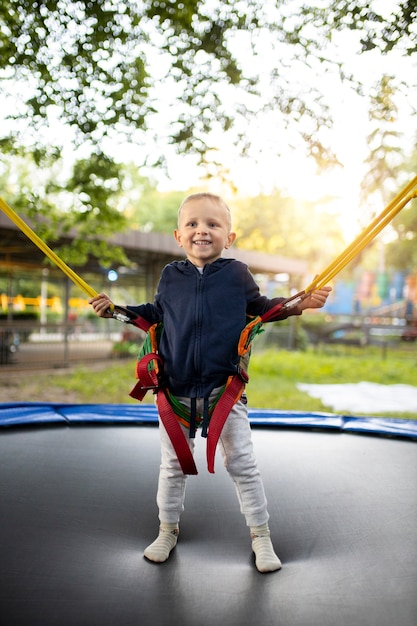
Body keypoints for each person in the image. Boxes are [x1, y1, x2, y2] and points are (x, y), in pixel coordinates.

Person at [89, 192, 331, 573]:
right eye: (193, 224)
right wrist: (116, 311)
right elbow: (153, 314)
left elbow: (264, 308)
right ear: (178, 236)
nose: (202, 230)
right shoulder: (171, 276)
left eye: (213, 225)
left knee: (243, 464)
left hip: (224, 392)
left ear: (229, 238)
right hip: (176, 392)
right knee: (172, 466)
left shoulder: (237, 274)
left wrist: (300, 304)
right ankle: (167, 529)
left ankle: (261, 536)